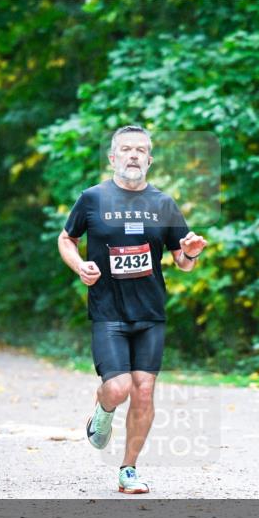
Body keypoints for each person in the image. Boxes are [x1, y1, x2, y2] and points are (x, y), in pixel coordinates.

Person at [57, 125, 208, 494]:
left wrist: (189, 253)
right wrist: (80, 266)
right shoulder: (92, 199)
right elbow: (67, 239)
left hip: (150, 312)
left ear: (150, 159)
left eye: (141, 150)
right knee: (118, 388)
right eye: (126, 149)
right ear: (113, 158)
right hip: (108, 310)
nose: (134, 155)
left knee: (143, 391)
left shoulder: (163, 204)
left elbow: (182, 260)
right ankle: (103, 411)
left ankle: (128, 469)